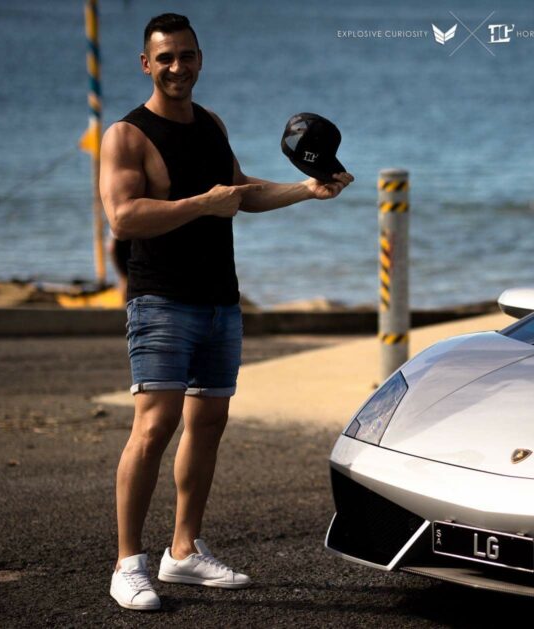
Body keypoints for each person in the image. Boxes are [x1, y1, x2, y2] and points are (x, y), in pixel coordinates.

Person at [99, 13, 353, 611]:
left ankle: (183, 551)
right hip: (161, 299)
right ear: (146, 64)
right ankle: (128, 564)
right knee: (154, 426)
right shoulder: (126, 135)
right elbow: (123, 217)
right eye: (165, 57)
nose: (177, 67)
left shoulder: (211, 123)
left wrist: (306, 190)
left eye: (186, 55)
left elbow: (238, 194)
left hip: (219, 300)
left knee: (208, 422)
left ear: (200, 59)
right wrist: (199, 204)